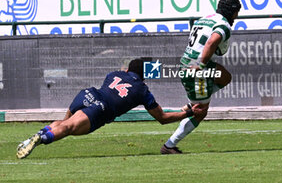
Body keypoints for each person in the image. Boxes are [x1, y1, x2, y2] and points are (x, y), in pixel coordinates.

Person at [16, 59, 203, 159]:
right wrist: (187, 112)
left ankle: (37, 135)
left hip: (87, 94)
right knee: (68, 129)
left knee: (64, 124)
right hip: (100, 109)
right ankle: (41, 138)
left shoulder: (115, 74)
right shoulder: (142, 90)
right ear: (145, 74)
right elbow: (162, 117)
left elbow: (122, 76)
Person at [160, 0, 242, 154]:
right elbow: (212, 42)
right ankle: (169, 146)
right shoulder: (224, 25)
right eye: (237, 12)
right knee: (200, 112)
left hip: (187, 62)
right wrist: (201, 64)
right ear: (232, 12)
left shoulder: (206, 18)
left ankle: (193, 103)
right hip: (197, 67)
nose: (237, 16)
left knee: (225, 77)